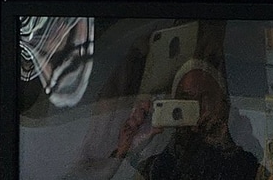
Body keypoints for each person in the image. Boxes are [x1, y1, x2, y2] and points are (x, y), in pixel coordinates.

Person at [111, 59, 259, 180]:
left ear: (223, 105)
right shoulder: (159, 164)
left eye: (205, 98)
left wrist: (227, 147)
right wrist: (126, 150)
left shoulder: (240, 149)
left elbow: (262, 172)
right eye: (186, 100)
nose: (197, 107)